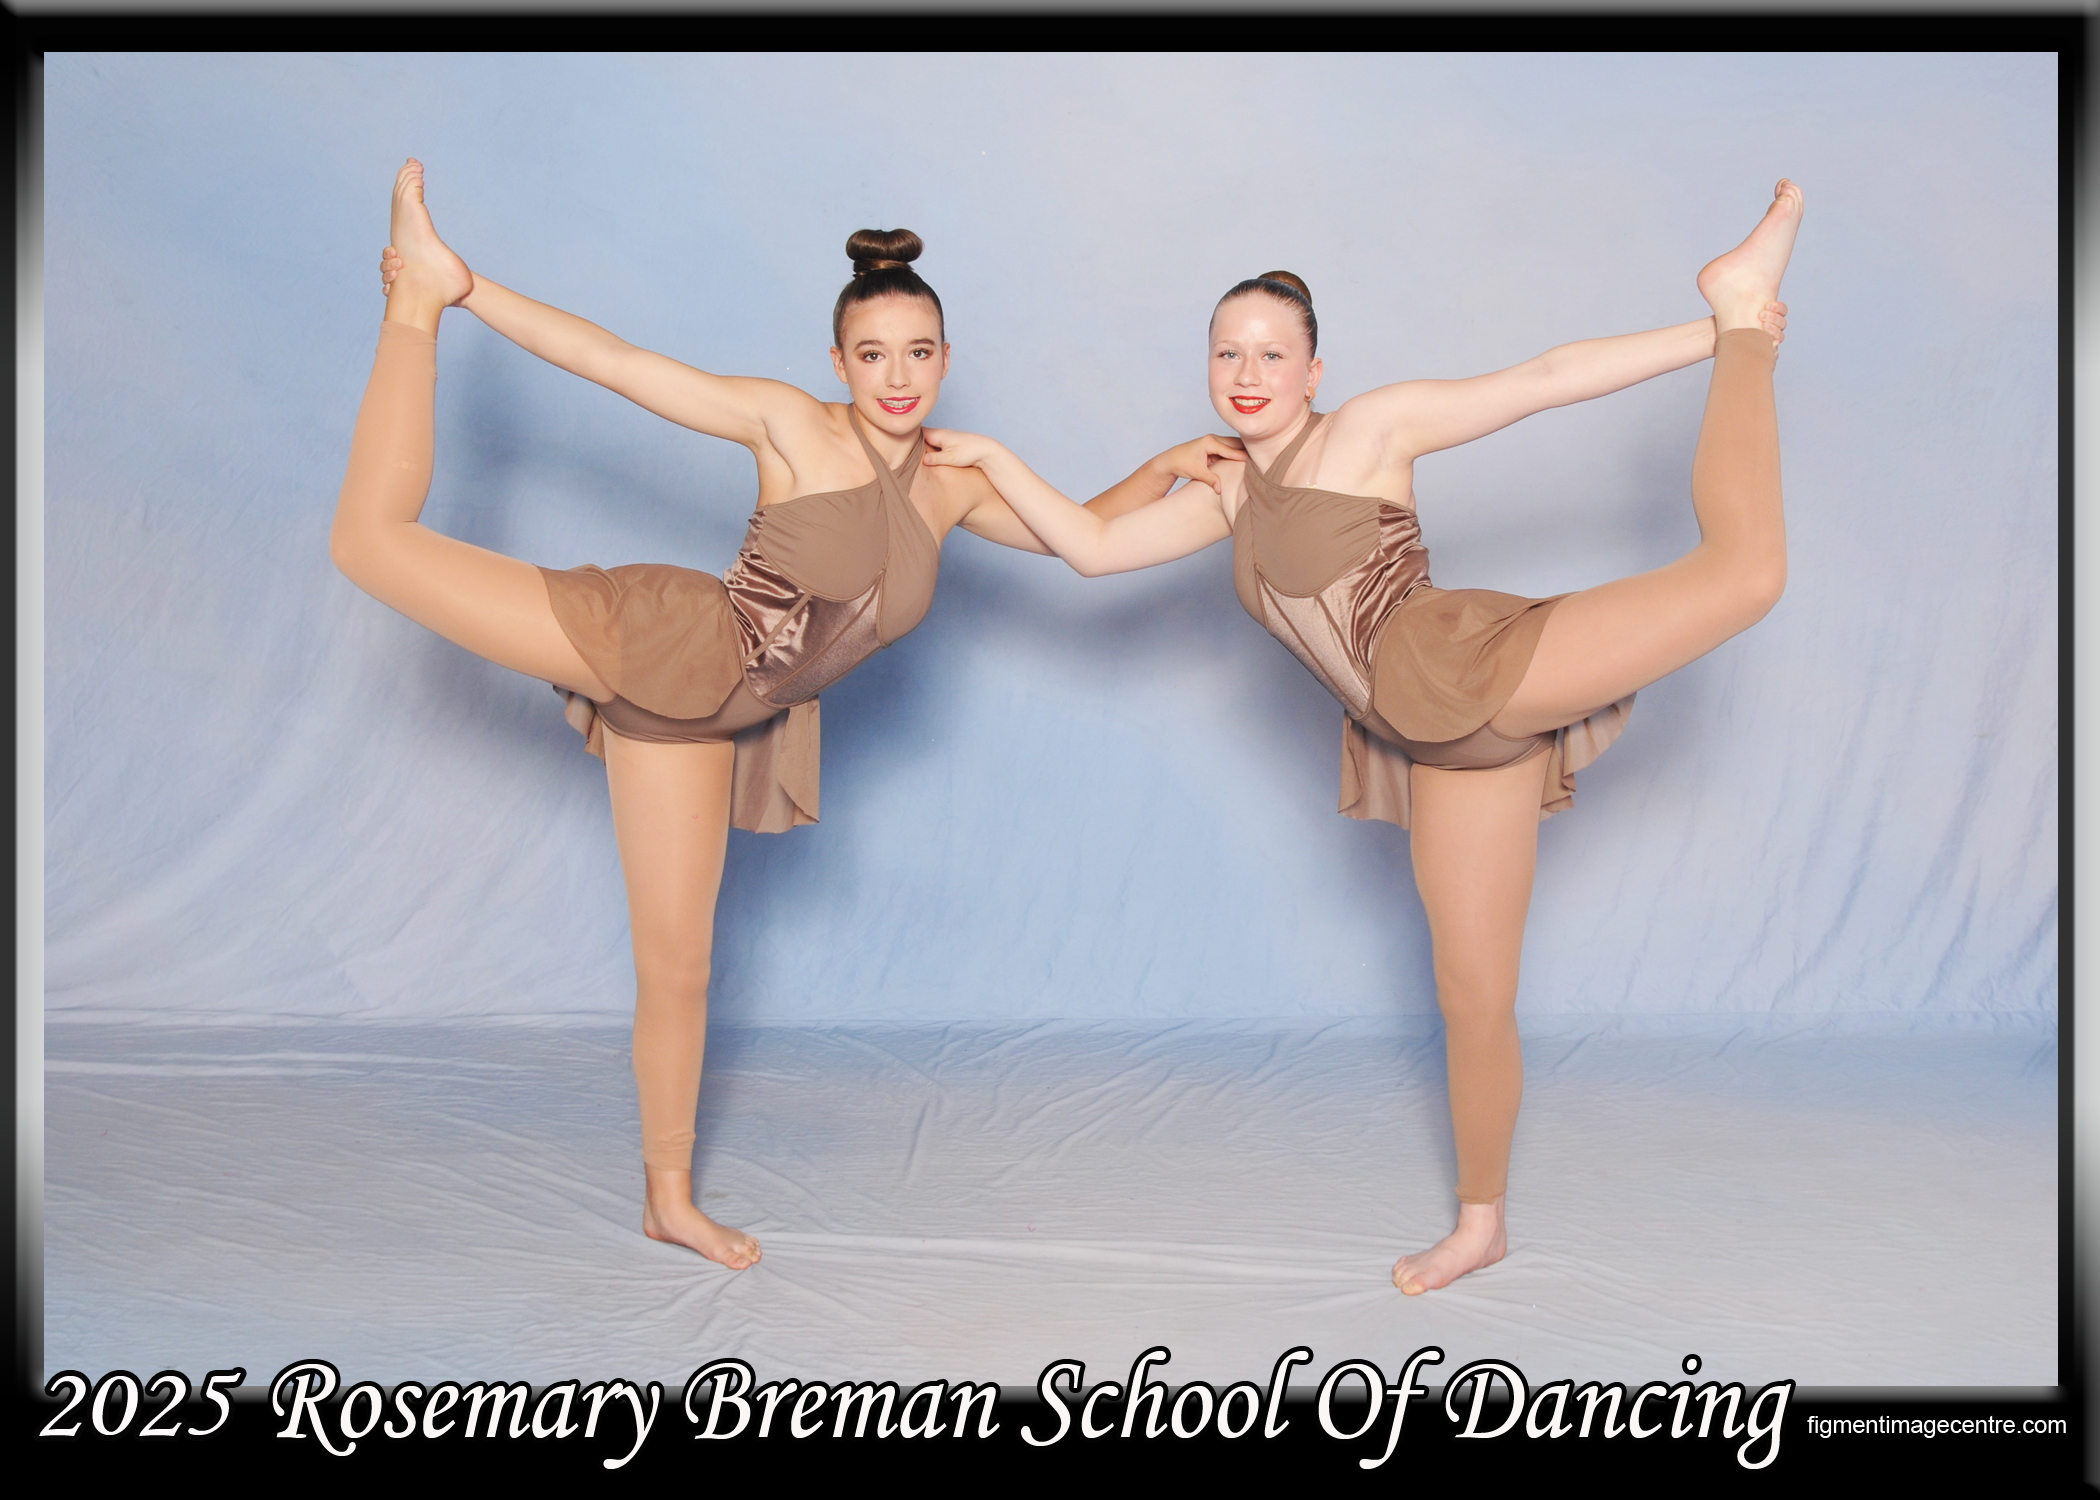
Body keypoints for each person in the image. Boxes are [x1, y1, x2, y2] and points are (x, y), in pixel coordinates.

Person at [340, 160, 1239, 1269]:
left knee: (678, 965)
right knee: (371, 544)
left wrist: (1166, 466)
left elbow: (1080, 535)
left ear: (946, 360)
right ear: (838, 363)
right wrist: (472, 289)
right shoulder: (792, 426)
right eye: (874, 355)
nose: (898, 377)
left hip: (710, 722)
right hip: (664, 640)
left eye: (919, 353)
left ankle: (668, 1201)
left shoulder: (954, 483)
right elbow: (617, 363)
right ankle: (419, 301)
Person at [921, 181, 1803, 1293]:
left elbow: (1541, 379)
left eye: (1271, 355)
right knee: (1473, 996)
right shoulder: (1229, 497)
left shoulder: (1369, 430)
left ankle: (1742, 314)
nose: (1247, 374)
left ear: (1313, 372)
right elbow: (1089, 550)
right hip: (1439, 748)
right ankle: (1481, 1225)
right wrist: (990, 466)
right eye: (1227, 354)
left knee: (1745, 573)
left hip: (1466, 667)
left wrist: (1717, 335)